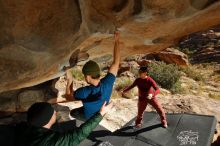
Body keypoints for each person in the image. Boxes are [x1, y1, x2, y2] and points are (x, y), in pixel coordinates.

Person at [55, 31, 120, 120]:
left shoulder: (85, 92)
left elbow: (68, 97)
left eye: (84, 74)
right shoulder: (108, 82)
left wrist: (70, 81)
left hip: (90, 117)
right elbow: (116, 62)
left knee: (73, 112)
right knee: (86, 104)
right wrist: (117, 41)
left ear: (88, 76)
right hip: (101, 113)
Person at [15, 101, 113, 146]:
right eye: (53, 112)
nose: (55, 112)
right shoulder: (52, 141)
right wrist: (101, 113)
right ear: (47, 119)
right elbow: (79, 134)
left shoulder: (23, 129)